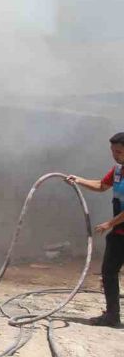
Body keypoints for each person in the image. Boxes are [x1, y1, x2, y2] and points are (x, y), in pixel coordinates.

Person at [66, 131, 124, 327]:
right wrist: (79, 180)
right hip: (120, 233)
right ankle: (112, 316)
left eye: (118, 151)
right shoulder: (117, 171)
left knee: (110, 271)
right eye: (113, 151)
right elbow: (101, 185)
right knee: (109, 272)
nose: (115, 155)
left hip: (118, 228)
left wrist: (109, 223)